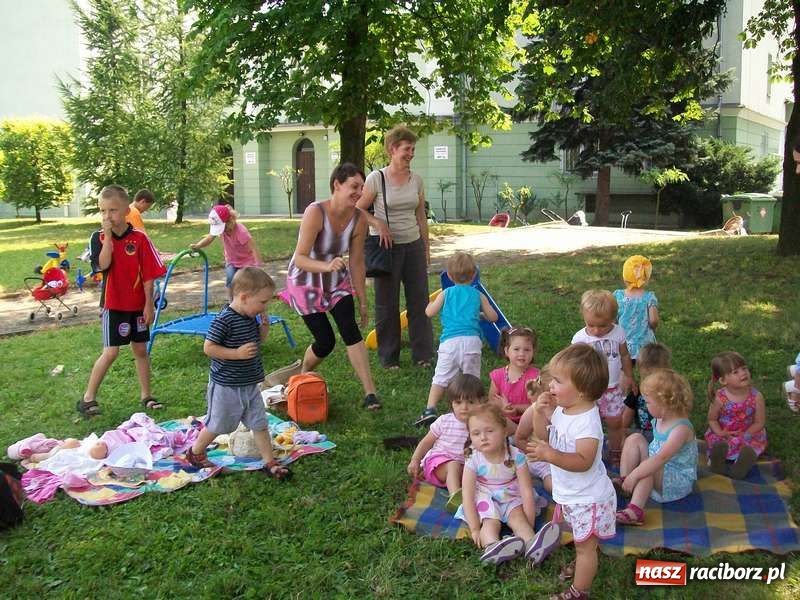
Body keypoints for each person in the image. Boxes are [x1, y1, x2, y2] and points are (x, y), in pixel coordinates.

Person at [282, 163, 380, 410]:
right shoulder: (315, 212)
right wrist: (326, 266)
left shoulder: (359, 220)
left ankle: (370, 393)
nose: (359, 192)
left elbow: (357, 263)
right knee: (325, 341)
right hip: (305, 279)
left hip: (336, 278)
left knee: (350, 329)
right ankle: (303, 373)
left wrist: (362, 299)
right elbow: (301, 257)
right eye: (354, 186)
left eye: (362, 188)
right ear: (337, 184)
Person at [527, 343, 617, 600]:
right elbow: (545, 434)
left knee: (584, 548)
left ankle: (580, 591)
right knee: (584, 543)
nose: (550, 386)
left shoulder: (587, 422)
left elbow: (584, 460)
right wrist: (540, 411)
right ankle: (582, 570)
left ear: (582, 391)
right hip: (573, 492)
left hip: (589, 498)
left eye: (557, 381)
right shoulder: (566, 410)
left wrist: (550, 455)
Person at [184, 267, 290, 479]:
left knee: (259, 423)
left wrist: (264, 329)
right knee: (219, 424)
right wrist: (236, 354)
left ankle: (269, 462)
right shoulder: (225, 319)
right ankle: (195, 452)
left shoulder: (250, 316)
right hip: (226, 386)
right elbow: (209, 348)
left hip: (250, 384)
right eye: (262, 302)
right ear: (243, 297)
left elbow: (256, 342)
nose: (265, 306)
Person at [78, 185, 166, 418]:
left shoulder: (139, 238)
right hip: (113, 304)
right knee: (111, 352)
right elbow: (103, 265)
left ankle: (146, 395)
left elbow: (148, 273)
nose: (108, 216)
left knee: (140, 349)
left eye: (113, 210)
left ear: (127, 210)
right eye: (103, 211)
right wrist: (107, 239)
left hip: (137, 305)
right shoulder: (97, 238)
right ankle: (88, 398)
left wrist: (149, 304)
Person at [357, 125, 434, 370]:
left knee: (419, 302)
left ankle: (423, 355)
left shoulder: (417, 180)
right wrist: (376, 222)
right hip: (385, 249)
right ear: (392, 149)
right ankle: (389, 358)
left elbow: (420, 214)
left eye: (413, 149)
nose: (411, 153)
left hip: (412, 246)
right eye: (406, 149)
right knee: (387, 305)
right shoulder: (376, 179)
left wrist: (426, 246)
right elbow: (357, 209)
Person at [415, 252, 498, 426]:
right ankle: (475, 410)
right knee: (471, 378)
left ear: (449, 275)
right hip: (472, 342)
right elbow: (493, 317)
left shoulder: (446, 293)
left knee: (441, 377)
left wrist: (430, 304)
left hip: (450, 343)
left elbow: (429, 312)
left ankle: (430, 409)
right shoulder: (478, 295)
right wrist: (480, 315)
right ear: (474, 274)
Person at [456, 403, 543, 566]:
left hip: (511, 495)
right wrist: (475, 528)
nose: (483, 437)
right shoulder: (473, 458)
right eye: (476, 433)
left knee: (518, 520)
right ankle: (493, 548)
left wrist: (529, 522)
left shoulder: (516, 456)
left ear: (504, 431)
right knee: (490, 523)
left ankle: (532, 545)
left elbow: (526, 491)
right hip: (485, 497)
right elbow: (467, 495)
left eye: (489, 431)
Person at [615, 369, 697, 525]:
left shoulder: (681, 429)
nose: (646, 406)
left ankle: (635, 510)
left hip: (675, 481)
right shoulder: (661, 418)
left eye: (648, 402)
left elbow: (661, 458)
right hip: (659, 467)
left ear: (664, 404)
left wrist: (637, 473)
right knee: (635, 439)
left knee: (648, 469)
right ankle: (625, 483)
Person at [571, 289, 634, 467]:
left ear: (613, 319)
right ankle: (592, 454)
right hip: (590, 391)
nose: (596, 330)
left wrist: (629, 375)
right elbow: (574, 365)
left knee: (615, 422)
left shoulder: (618, 333)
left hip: (612, 389)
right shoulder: (580, 339)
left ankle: (615, 451)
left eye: (603, 325)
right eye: (591, 325)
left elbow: (624, 356)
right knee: (590, 425)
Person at [406, 374, 486, 512]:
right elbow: (426, 442)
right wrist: (415, 460)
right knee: (453, 464)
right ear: (451, 403)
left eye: (471, 402)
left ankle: (472, 497)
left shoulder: (483, 424)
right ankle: (455, 497)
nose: (464, 407)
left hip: (466, 467)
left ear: (481, 403)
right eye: (458, 402)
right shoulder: (445, 421)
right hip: (438, 463)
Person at [704, 351, 767, 479]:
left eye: (744, 368)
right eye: (735, 372)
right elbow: (712, 419)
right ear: (723, 380)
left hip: (748, 432)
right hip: (725, 433)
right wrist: (720, 432)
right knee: (718, 443)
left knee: (749, 445)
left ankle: (740, 465)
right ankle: (716, 460)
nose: (743, 373)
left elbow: (759, 422)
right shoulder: (720, 398)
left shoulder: (756, 396)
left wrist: (747, 434)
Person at [190, 204, 262, 300]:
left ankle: (254, 305)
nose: (221, 231)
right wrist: (198, 245)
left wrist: (258, 266)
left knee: (248, 283)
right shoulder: (222, 229)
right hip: (231, 261)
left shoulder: (241, 232)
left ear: (230, 221)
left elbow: (253, 248)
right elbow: (209, 238)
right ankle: (231, 303)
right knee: (230, 279)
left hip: (246, 261)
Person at [621, 342, 672, 441]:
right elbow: (624, 422)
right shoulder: (636, 393)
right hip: (642, 434)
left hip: (666, 435)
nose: (652, 382)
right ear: (640, 371)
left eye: (657, 377)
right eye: (647, 376)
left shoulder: (670, 392)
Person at [489, 326, 540, 423]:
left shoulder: (536, 376)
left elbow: (537, 405)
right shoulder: (498, 375)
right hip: (503, 421)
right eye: (516, 349)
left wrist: (516, 408)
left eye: (527, 350)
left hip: (528, 423)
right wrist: (502, 407)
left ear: (533, 352)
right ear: (507, 351)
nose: (521, 353)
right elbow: (491, 401)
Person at [514, 367, 553, 492]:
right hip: (540, 459)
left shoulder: (567, 409)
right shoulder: (534, 410)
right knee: (552, 482)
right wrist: (535, 452)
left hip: (562, 457)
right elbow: (519, 438)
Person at [613, 255, 659, 362]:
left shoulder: (618, 296)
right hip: (645, 345)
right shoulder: (649, 297)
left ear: (625, 277)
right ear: (646, 278)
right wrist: (653, 327)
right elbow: (654, 320)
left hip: (622, 343)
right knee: (647, 370)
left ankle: (627, 377)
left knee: (624, 370)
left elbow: (612, 319)